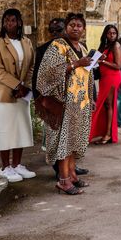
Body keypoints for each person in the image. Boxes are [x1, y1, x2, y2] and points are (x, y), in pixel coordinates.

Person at [38, 13, 94, 194]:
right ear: (66, 27)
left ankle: (72, 175)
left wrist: (91, 97)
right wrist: (76, 64)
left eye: (79, 25)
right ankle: (63, 180)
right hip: (64, 103)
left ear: (83, 28)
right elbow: (48, 73)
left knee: (74, 141)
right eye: (72, 24)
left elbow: (88, 76)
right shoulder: (58, 46)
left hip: (81, 103)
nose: (76, 28)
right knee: (64, 142)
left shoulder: (83, 48)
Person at [0, 8, 36, 183]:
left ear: (19, 22)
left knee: (21, 129)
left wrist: (25, 86)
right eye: (6, 20)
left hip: (22, 94)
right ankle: (6, 167)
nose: (9, 24)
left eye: (13, 20)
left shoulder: (26, 42)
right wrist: (17, 85)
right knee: (5, 131)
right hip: (5, 93)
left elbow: (31, 67)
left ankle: (18, 165)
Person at [89, 24, 121, 144]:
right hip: (104, 77)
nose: (112, 35)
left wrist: (102, 61)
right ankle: (104, 132)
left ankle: (108, 134)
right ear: (105, 34)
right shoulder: (104, 46)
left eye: (114, 33)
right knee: (104, 104)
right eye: (110, 33)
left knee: (108, 104)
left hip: (113, 77)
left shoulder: (116, 45)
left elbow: (118, 66)